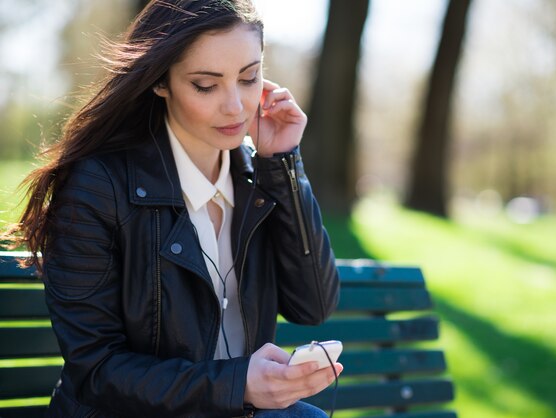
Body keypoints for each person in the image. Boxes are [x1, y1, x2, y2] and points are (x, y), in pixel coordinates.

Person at [6, 0, 342, 416]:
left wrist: (285, 163)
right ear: (160, 81)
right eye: (206, 84)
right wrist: (238, 384)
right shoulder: (97, 186)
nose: (235, 106)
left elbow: (313, 305)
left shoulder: (260, 176)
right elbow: (96, 370)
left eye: (249, 77)